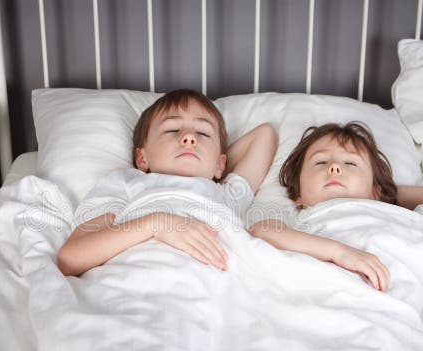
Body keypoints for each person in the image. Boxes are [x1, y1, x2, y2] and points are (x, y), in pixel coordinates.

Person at [57, 89, 278, 276]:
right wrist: (158, 224)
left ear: (222, 165)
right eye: (172, 130)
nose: (189, 138)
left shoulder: (225, 195)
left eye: (202, 133)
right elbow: (72, 257)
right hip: (137, 275)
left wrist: (214, 165)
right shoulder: (126, 182)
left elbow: (265, 135)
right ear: (142, 158)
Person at [249, 122, 423, 292]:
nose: (334, 168)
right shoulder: (307, 218)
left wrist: (384, 195)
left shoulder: (384, 207)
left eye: (350, 163)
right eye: (320, 162)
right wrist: (338, 252)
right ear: (299, 196)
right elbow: (262, 231)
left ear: (375, 192)